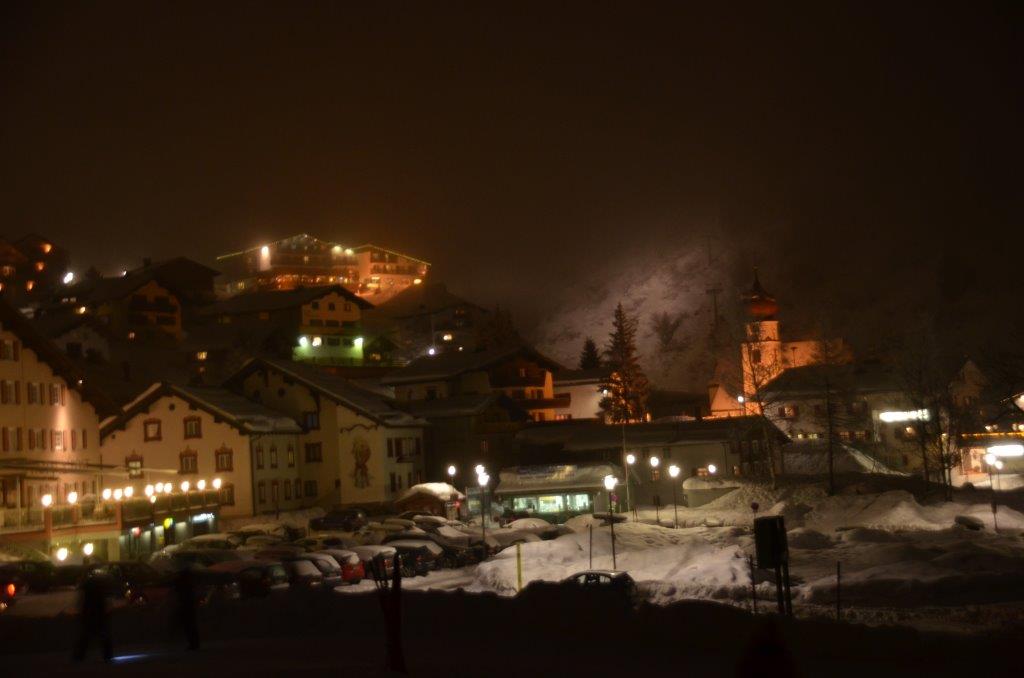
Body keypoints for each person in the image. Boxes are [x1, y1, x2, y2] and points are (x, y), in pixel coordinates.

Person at [73, 571, 113, 662]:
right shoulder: (100, 588)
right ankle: (107, 655)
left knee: (85, 636)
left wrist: (80, 611)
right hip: (99, 614)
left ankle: (79, 656)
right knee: (102, 635)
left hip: (89, 614)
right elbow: (106, 601)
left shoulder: (87, 587)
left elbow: (81, 600)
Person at [174, 567, 200, 650]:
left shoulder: (182, 584)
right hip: (188, 606)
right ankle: (194, 643)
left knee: (188, 625)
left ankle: (193, 643)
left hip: (185, 605)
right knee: (191, 625)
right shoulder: (189, 584)